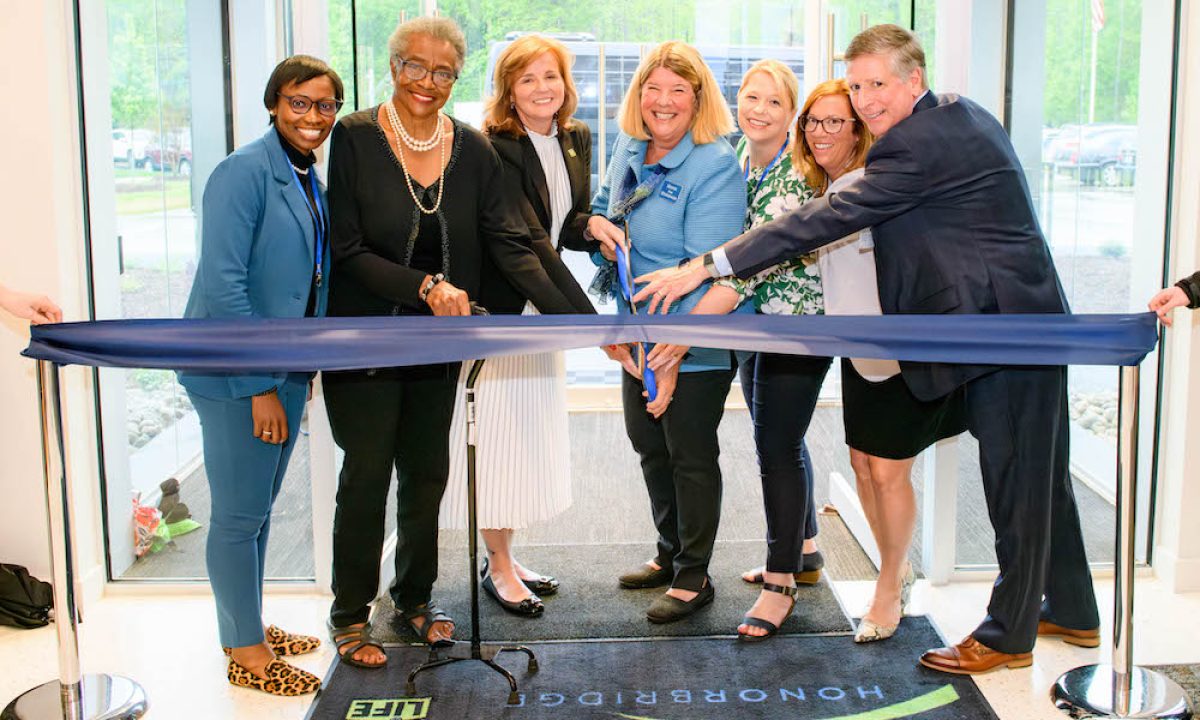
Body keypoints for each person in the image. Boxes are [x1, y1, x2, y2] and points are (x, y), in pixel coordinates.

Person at [635, 24, 1101, 673]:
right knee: (1043, 476)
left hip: (1006, 332)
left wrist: (709, 265)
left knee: (1016, 481)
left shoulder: (914, 144)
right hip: (1018, 323)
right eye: (856, 86)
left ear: (913, 79)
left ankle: (1008, 635)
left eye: (877, 83)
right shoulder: (955, 118)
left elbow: (822, 219)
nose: (866, 99)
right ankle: (1075, 611)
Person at [322, 16, 577, 668]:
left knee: (427, 476)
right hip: (365, 343)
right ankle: (350, 613)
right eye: (414, 66)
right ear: (392, 65)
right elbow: (346, 249)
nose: (426, 82)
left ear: (455, 77)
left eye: (441, 71)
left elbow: (516, 244)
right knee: (368, 474)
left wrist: (586, 323)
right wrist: (426, 285)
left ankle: (413, 601)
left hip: (437, 346)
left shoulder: (471, 149)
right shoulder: (353, 136)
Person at [646, 63, 831, 641]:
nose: (759, 110)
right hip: (748, 329)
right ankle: (806, 550)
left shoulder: (797, 176)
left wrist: (682, 330)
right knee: (781, 435)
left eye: (774, 102)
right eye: (751, 97)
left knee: (774, 446)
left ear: (790, 112)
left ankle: (781, 585)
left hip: (795, 329)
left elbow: (748, 264)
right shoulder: (734, 158)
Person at [177, 55, 342, 696]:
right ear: (275, 103)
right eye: (300, 103)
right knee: (240, 516)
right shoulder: (242, 172)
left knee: (260, 512)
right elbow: (223, 285)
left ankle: (248, 623)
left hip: (287, 370)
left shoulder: (305, 178)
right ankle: (244, 650)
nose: (313, 117)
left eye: (325, 106)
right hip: (235, 377)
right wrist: (259, 386)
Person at [587, 40, 747, 624]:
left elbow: (708, 265)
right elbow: (603, 209)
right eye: (653, 88)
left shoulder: (715, 163)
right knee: (648, 444)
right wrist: (598, 224)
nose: (664, 101)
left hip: (694, 336)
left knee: (690, 456)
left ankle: (694, 575)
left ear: (698, 99)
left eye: (679, 90)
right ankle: (669, 552)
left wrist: (673, 352)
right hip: (636, 327)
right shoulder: (630, 144)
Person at [438, 34, 596, 617]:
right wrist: (591, 329)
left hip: (544, 308)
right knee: (497, 439)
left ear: (565, 82)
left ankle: (507, 554)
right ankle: (498, 566)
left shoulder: (575, 138)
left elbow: (563, 222)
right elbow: (524, 246)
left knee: (526, 437)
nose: (541, 89)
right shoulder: (493, 147)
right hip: (508, 312)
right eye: (526, 79)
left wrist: (595, 225)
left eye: (550, 76)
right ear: (508, 90)